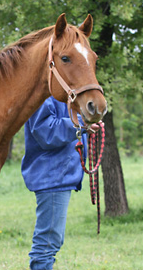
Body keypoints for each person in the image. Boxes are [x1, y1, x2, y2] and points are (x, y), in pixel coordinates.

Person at [21, 96, 98, 270]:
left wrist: (85, 126)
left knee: (50, 241)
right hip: (52, 175)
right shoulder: (43, 96)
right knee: (48, 242)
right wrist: (82, 123)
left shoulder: (65, 95)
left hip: (57, 174)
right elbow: (45, 131)